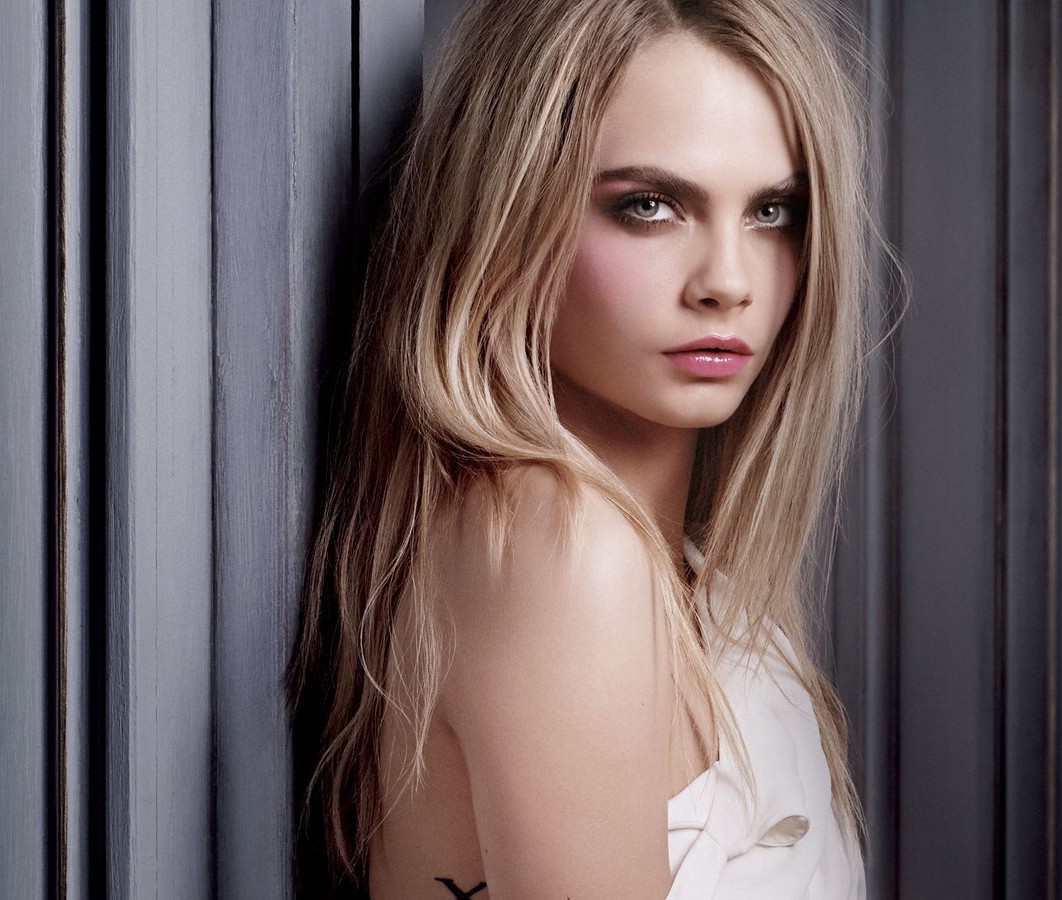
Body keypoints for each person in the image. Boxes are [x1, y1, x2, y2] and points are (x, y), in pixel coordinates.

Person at [287, 0, 881, 896]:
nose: (728, 281)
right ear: (511, 213)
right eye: (649, 206)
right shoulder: (561, 549)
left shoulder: (685, 580)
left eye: (773, 212)